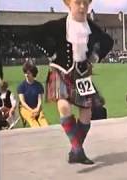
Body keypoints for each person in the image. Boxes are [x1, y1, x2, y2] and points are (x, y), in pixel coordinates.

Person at [18, 0, 113, 164]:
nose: (82, 7)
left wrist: (94, 57)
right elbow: (35, 35)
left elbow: (108, 42)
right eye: (78, 3)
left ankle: (76, 150)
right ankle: (78, 150)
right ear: (69, 4)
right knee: (63, 106)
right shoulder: (58, 25)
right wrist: (50, 52)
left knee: (87, 113)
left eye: (86, 3)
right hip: (60, 70)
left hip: (82, 74)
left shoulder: (91, 27)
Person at [17, 62, 49, 128]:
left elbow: (40, 100)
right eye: (25, 73)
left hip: (37, 108)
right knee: (32, 120)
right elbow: (23, 102)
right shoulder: (21, 86)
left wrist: (37, 109)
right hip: (25, 109)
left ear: (33, 73)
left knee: (43, 120)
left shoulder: (39, 85)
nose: (26, 75)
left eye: (28, 73)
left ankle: (47, 133)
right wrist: (32, 111)